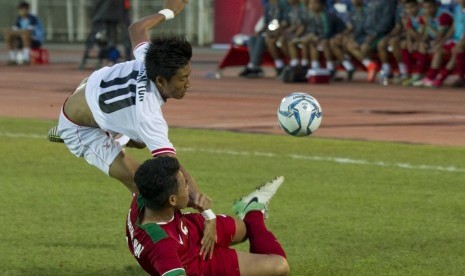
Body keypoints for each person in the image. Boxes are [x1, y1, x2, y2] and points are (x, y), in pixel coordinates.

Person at [56, 0, 217, 254]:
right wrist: (203, 205)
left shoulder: (150, 59)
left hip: (96, 92)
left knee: (145, 145)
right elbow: (170, 166)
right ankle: (147, 242)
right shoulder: (148, 114)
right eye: (183, 78)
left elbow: (137, 28)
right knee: (152, 187)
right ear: (162, 81)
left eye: (189, 75)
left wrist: (170, 11)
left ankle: (124, 136)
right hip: (83, 129)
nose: (189, 83)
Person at [126, 156, 289, 276]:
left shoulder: (146, 195)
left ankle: (249, 209)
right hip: (198, 261)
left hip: (187, 228)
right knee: (280, 265)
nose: (190, 187)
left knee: (245, 229)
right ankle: (254, 210)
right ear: (172, 200)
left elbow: (169, 162)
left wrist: (208, 216)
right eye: (185, 185)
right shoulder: (162, 246)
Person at [403, 0, 453, 86]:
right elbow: (423, 35)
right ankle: (418, 74)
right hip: (435, 40)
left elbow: (439, 36)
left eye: (430, 7)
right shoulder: (425, 17)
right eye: (425, 8)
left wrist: (427, 25)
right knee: (422, 45)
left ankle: (431, 77)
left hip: (448, 40)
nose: (427, 10)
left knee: (437, 50)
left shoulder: (444, 16)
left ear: (435, 7)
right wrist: (422, 41)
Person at [239, 0, 287, 78]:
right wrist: (260, 30)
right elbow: (266, 22)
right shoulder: (268, 6)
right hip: (270, 30)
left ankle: (254, 66)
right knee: (253, 38)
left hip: (280, 31)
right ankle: (253, 65)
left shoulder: (282, 5)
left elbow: (285, 21)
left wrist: (276, 30)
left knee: (263, 39)